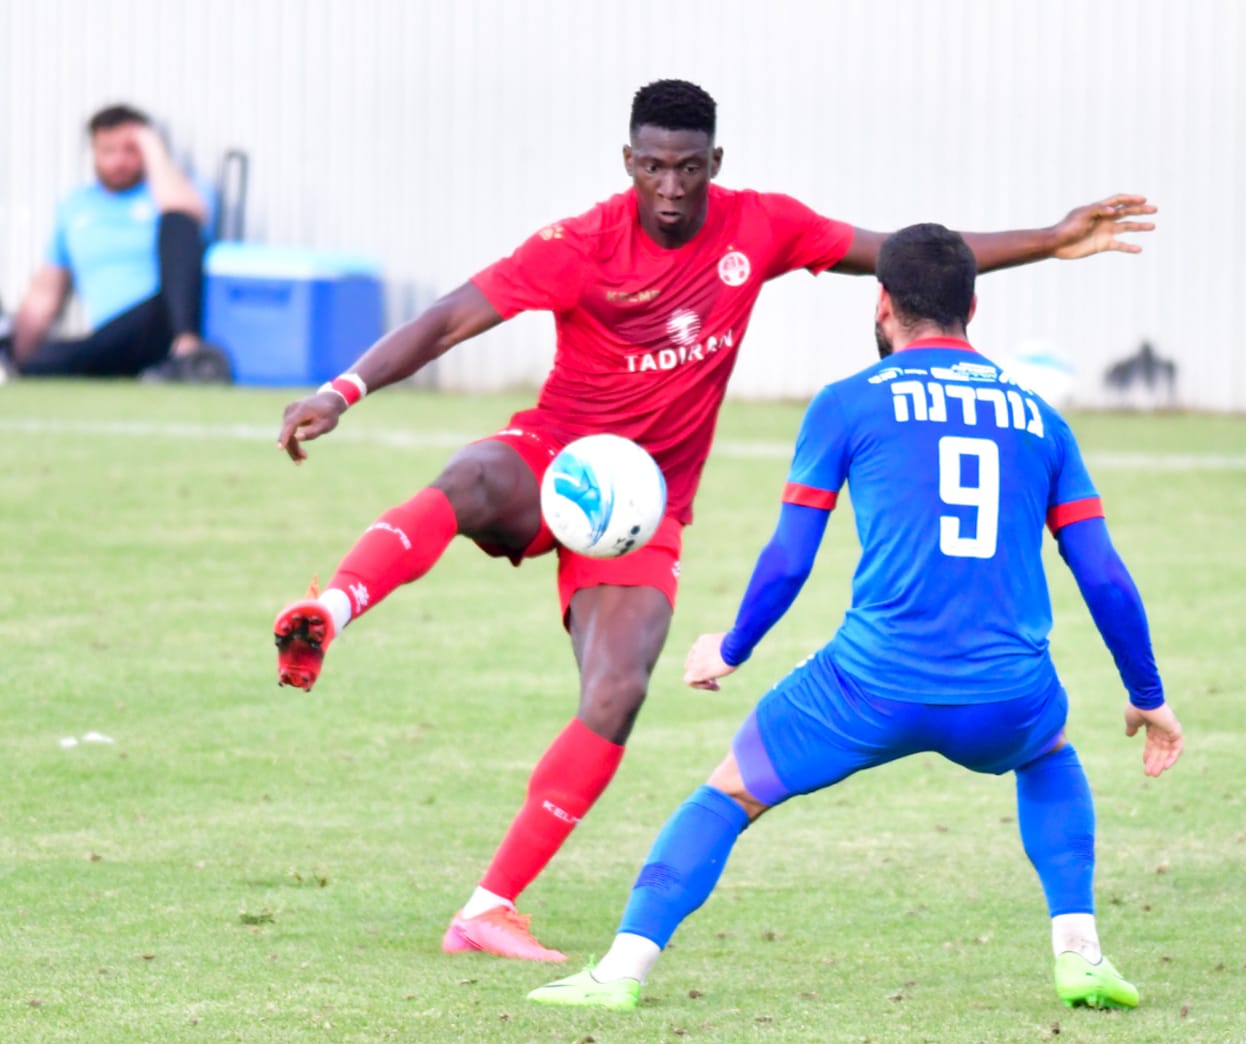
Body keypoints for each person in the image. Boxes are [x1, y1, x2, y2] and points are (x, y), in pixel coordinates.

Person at [270, 80, 1160, 963]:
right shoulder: (577, 245)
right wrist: (341, 390)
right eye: (652, 167)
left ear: (714, 164)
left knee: (616, 693)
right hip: (556, 459)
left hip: (645, 510)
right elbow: (449, 318)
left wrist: (1051, 237)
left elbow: (904, 258)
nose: (668, 187)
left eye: (687, 169)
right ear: (628, 162)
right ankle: (333, 610)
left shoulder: (758, 226)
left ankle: (488, 909)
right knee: (470, 474)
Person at [526, 222, 1183, 1014]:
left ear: (882, 305)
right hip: (1005, 692)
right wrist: (1146, 692)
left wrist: (731, 648)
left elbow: (790, 556)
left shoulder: (847, 403)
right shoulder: (1041, 419)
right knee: (1049, 754)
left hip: (868, 683)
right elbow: (1103, 573)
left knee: (728, 793)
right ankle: (1079, 953)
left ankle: (621, 970)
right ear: (972, 305)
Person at [5, 104, 231, 383]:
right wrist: (17, 354)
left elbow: (186, 217)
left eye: (130, 150)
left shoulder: (176, 191)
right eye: (109, 151)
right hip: (112, 337)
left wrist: (152, 149)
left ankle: (186, 352)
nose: (120, 161)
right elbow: (45, 294)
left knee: (177, 223)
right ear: (94, 153)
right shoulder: (75, 207)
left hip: (163, 318)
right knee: (43, 361)